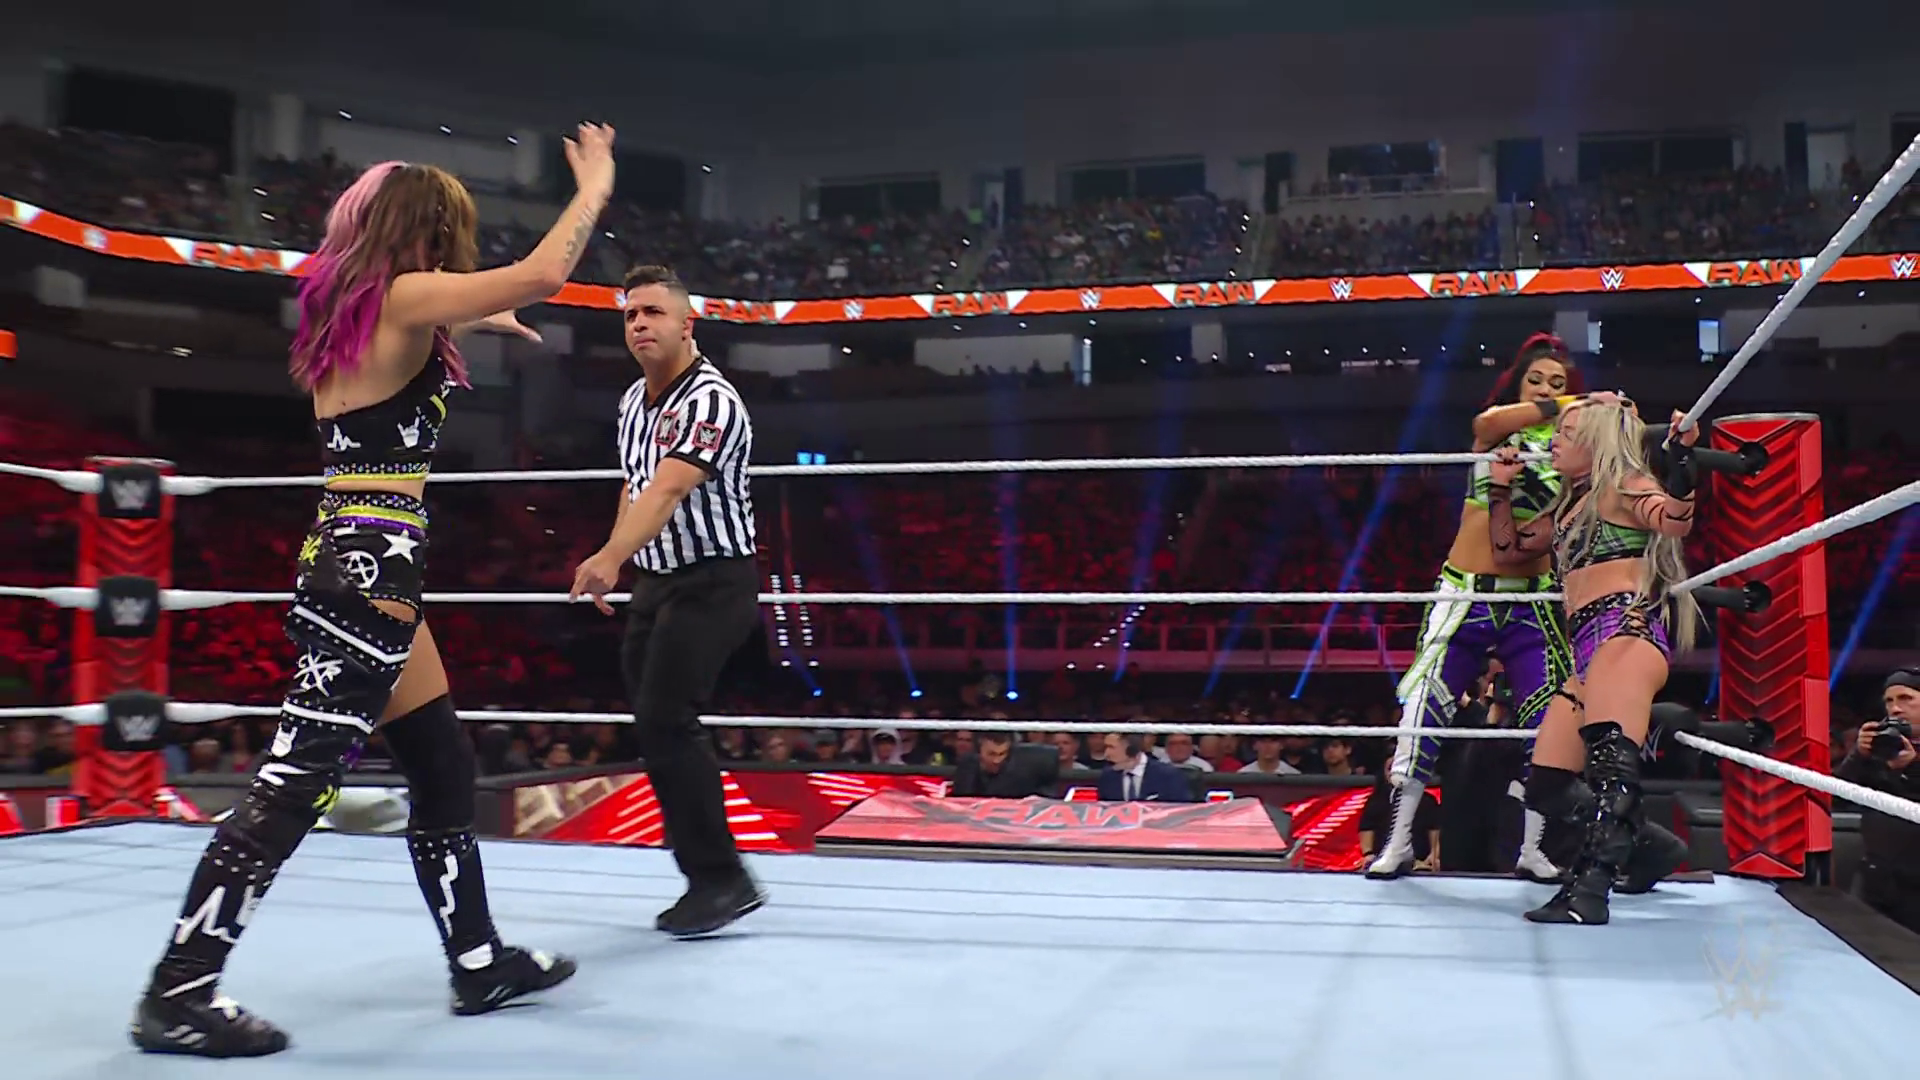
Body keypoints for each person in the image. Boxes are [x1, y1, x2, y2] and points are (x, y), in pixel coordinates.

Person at [133, 125, 616, 1056]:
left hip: (362, 563)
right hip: (368, 575)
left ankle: (477, 960)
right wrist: (594, 183)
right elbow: (545, 273)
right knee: (294, 783)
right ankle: (178, 991)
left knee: (442, 764)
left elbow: (422, 325)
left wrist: (475, 318)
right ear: (427, 230)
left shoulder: (354, 304)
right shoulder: (400, 300)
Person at [569, 265, 765, 939]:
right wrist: (617, 557)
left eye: (653, 312)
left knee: (667, 718)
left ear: (687, 324)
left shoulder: (712, 400)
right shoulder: (633, 401)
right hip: (656, 580)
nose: (639, 324)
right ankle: (705, 873)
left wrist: (609, 558)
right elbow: (634, 484)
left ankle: (722, 878)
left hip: (714, 580)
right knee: (654, 724)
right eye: (630, 315)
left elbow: (669, 489)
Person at [1369, 334, 1597, 882]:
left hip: (1532, 599)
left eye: (1558, 383)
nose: (1545, 389)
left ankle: (1533, 849)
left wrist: (1596, 417)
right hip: (1466, 591)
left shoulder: (1571, 449)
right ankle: (1398, 843)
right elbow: (1485, 422)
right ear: (1519, 383)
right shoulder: (1498, 430)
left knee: (1549, 719)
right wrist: (1571, 402)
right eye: (1537, 380)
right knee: (1424, 708)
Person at [1487, 397, 1702, 925]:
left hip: (1624, 632)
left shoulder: (1624, 485)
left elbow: (1675, 520)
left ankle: (1588, 893)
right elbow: (1507, 549)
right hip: (1586, 646)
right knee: (1548, 784)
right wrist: (1499, 489)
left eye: (1566, 433)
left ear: (1596, 441)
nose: (1553, 443)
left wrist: (1680, 460)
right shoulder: (1569, 507)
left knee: (1610, 768)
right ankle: (1651, 848)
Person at [1834, 668, 1920, 934]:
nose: (1895, 708)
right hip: (1875, 876)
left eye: (1906, 698)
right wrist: (1858, 755)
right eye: (1889, 701)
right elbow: (1834, 797)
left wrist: (1912, 767)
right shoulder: (1880, 747)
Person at [950, 731, 1062, 798]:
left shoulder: (1021, 774)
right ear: (979, 751)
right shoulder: (967, 769)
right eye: (991, 754)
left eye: (1002, 754)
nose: (997, 760)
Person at [1096, 734, 1196, 801]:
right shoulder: (1107, 777)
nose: (1106, 754)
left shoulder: (1169, 775)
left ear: (1132, 750)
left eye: (1111, 747)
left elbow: (1180, 812)